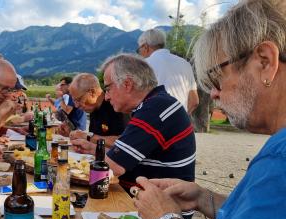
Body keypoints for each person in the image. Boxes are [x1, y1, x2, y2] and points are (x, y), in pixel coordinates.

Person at [131, 0, 286, 219]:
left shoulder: (280, 158)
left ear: (265, 62)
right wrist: (205, 199)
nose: (213, 93)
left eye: (216, 77)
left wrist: (164, 217)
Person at [71, 54, 196, 196]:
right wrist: (92, 148)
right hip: (151, 198)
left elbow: (114, 167)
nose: (106, 96)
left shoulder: (154, 110)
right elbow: (120, 157)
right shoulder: (156, 103)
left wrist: (84, 155)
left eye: (108, 88)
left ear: (127, 84)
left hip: (162, 209)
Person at [137, 28, 199, 114]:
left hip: (152, 123)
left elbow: (136, 100)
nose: (139, 53)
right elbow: (194, 101)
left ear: (145, 47)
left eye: (139, 50)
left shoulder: (144, 65)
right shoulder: (185, 64)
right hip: (181, 124)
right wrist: (182, 118)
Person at [67, 73, 129, 147]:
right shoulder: (93, 107)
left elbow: (125, 142)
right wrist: (71, 133)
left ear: (92, 92)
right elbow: (95, 138)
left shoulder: (116, 106)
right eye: (74, 101)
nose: (76, 105)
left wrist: (87, 136)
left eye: (79, 99)